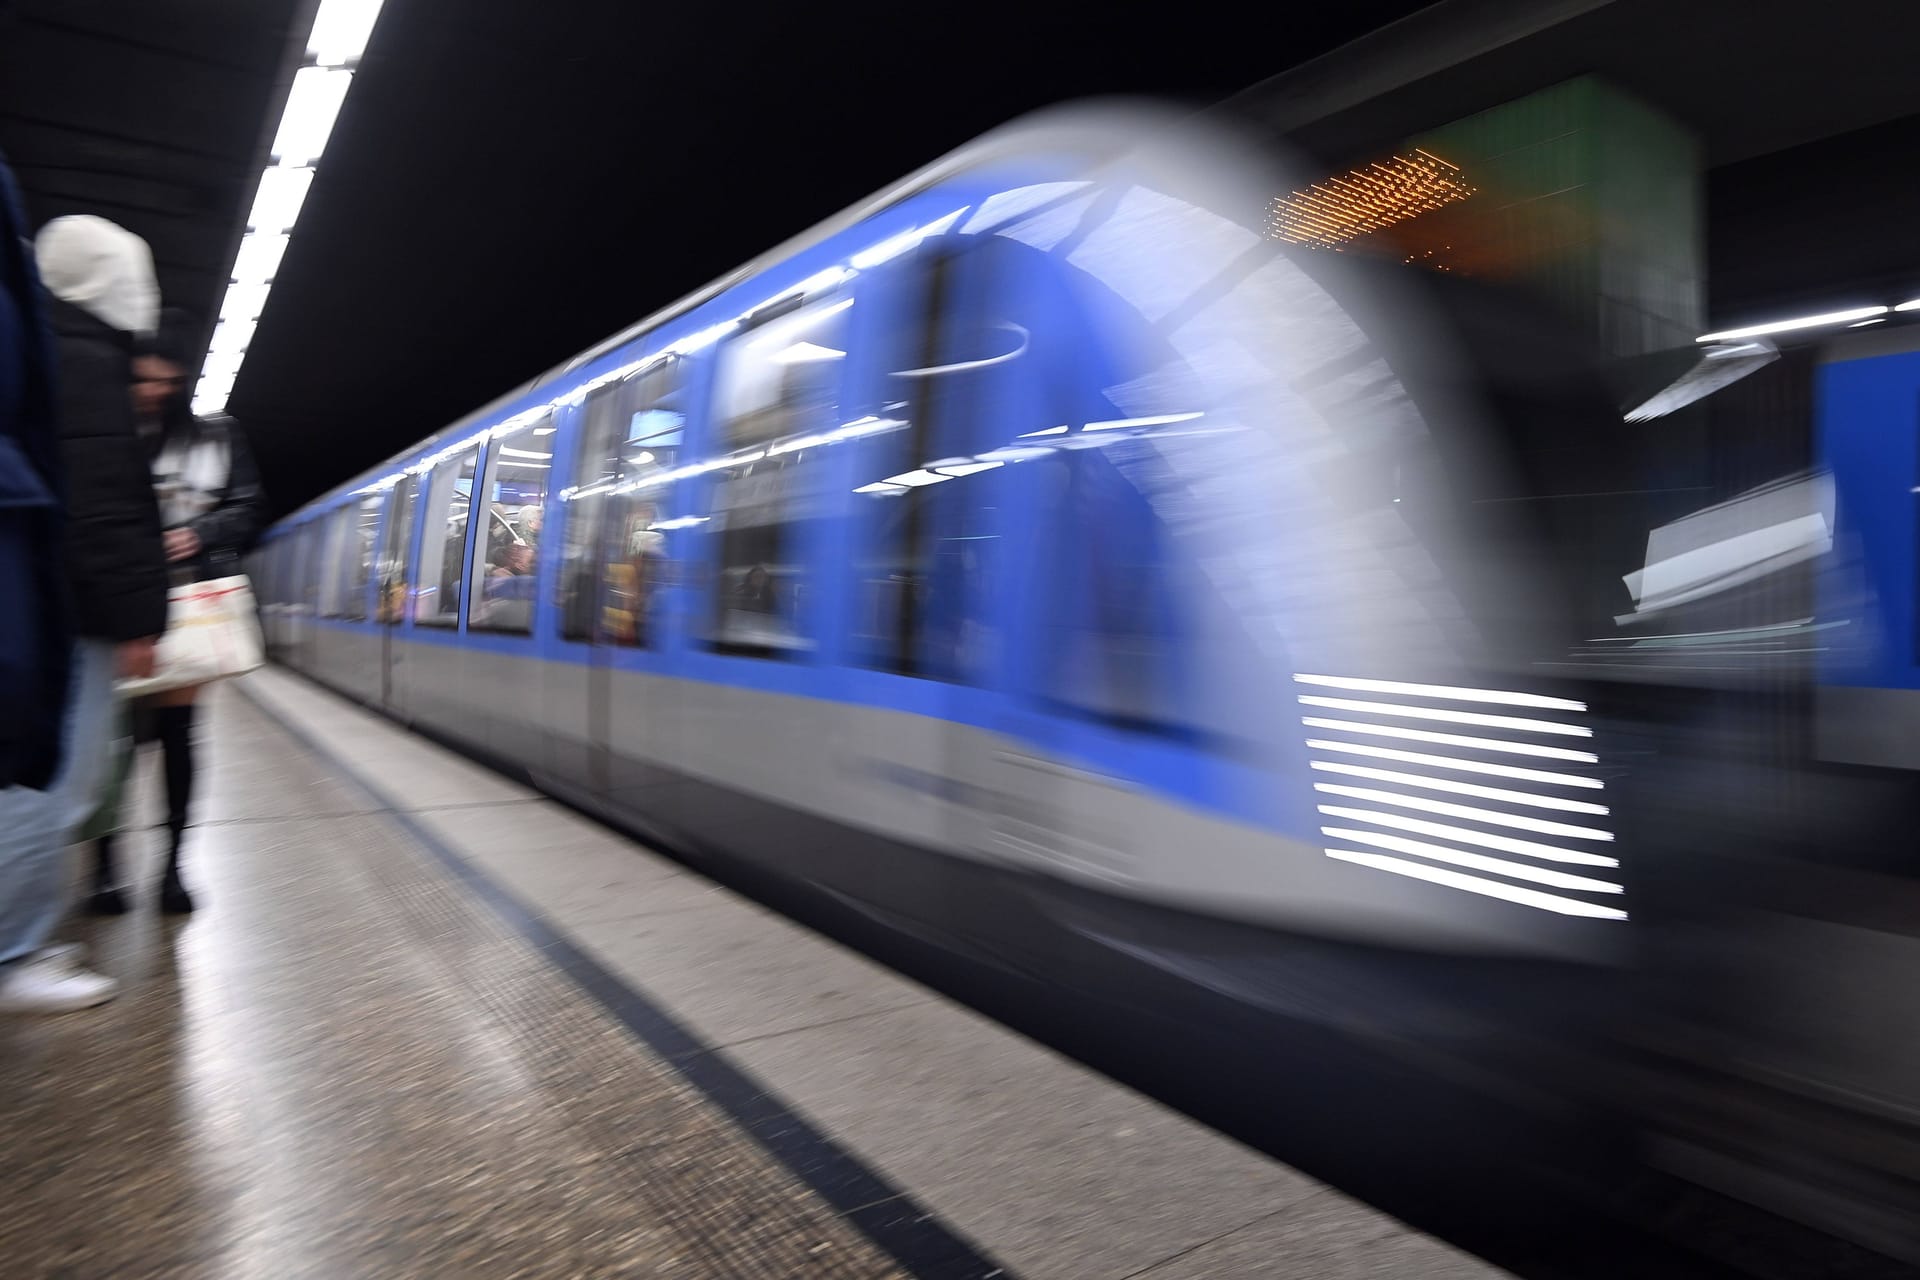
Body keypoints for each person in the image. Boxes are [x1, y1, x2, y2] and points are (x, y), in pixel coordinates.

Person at [0, 214, 168, 1012]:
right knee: (55, 778)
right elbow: (104, 502)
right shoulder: (90, 358)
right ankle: (14, 951)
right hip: (76, 608)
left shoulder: (43, 345)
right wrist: (138, 617)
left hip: (42, 591)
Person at [85, 307, 264, 915]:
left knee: (179, 739)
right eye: (143, 380)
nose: (153, 393)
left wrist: (200, 532)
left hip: (190, 605)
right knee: (111, 744)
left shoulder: (218, 435)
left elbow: (247, 506)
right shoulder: (104, 434)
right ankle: (105, 869)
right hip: (114, 603)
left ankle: (172, 869)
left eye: (166, 382)